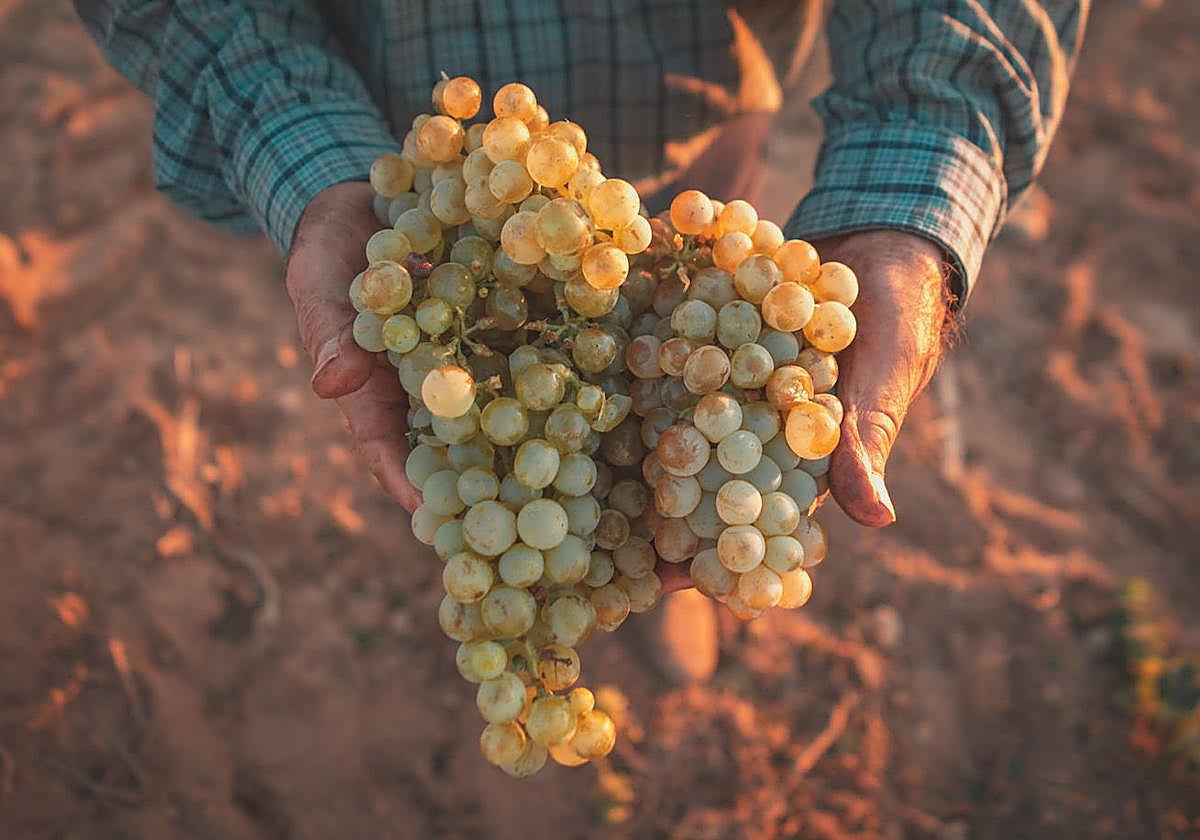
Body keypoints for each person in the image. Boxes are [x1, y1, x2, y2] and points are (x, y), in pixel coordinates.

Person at [75, 0, 1088, 682]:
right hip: (397, 160)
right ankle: (567, 548)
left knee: (686, 300)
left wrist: (913, 176)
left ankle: (652, 552)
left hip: (697, 93)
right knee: (428, 394)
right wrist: (290, 130)